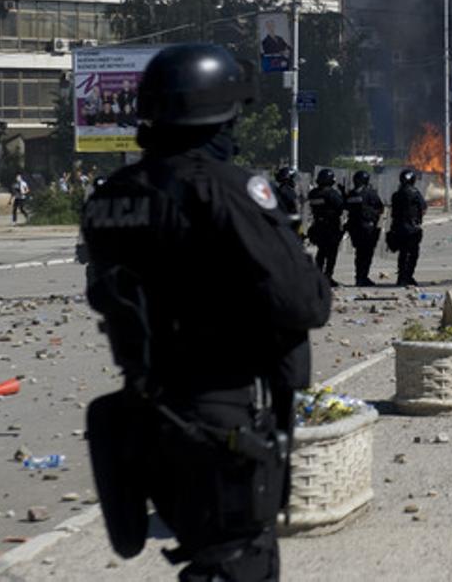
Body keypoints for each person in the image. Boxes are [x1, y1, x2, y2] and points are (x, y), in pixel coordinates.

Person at [80, 43, 330, 582]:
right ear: (217, 116)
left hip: (147, 412)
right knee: (236, 563)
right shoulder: (227, 188)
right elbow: (303, 303)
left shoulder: (110, 197)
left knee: (203, 549)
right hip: (220, 411)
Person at [344, 170, 384, 287]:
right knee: (366, 254)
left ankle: (359, 277)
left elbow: (346, 207)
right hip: (367, 228)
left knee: (359, 254)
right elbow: (380, 208)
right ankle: (363, 277)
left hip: (354, 228)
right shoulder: (370, 193)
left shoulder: (350, 194)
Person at [389, 168, 427, 286]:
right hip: (411, 228)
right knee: (413, 253)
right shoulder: (415, 193)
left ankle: (401, 277)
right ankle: (408, 276)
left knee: (403, 253)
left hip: (398, 227)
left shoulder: (396, 194)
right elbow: (424, 207)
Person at [307, 169, 345, 286]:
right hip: (331, 226)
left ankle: (318, 275)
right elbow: (341, 206)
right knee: (331, 253)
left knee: (321, 251)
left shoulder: (313, 193)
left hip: (318, 225)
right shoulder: (332, 193)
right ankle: (328, 276)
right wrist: (343, 193)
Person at [274, 167, 301, 235]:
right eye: (293, 178)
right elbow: (295, 207)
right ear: (288, 179)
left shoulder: (279, 189)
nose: (295, 181)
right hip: (288, 225)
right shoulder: (287, 191)